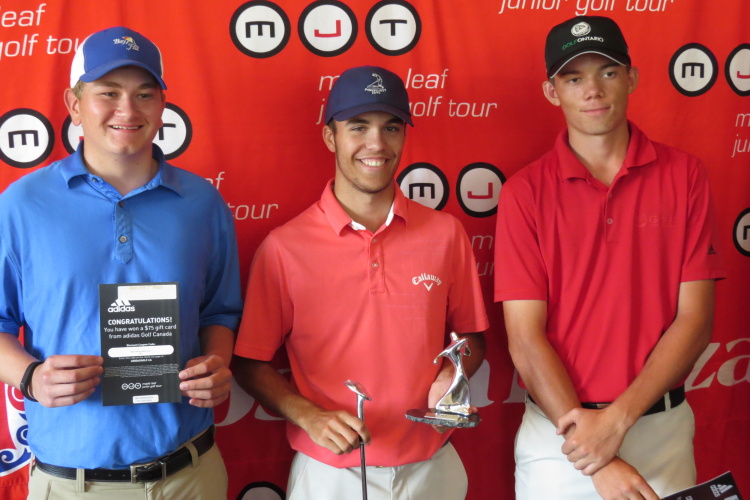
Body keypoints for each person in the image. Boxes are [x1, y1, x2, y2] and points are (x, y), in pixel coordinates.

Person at [0, 26, 242, 499]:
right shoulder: (21, 205)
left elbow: (219, 311)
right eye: (108, 93)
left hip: (190, 474)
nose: (128, 110)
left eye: (144, 94)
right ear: (74, 104)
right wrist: (30, 378)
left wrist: (216, 363)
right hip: (72, 483)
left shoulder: (202, 203)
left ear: (163, 106)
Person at [494, 16, 725, 500]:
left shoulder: (685, 175)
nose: (592, 90)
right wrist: (594, 451)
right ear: (552, 91)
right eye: (573, 78)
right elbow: (525, 338)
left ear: (632, 78)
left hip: (659, 430)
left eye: (608, 72)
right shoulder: (524, 192)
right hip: (558, 437)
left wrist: (616, 423)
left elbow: (695, 320)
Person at [233, 65, 489, 500]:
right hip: (331, 475)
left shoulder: (446, 233)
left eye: (391, 127)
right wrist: (309, 416)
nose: (377, 143)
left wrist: (452, 373)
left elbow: (471, 336)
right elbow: (249, 363)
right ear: (330, 137)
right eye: (358, 126)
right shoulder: (284, 247)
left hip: (433, 466)